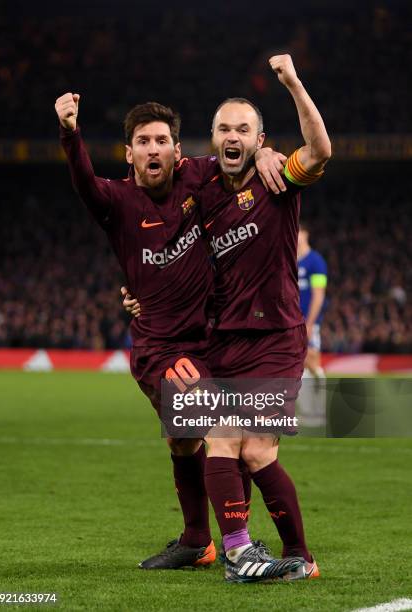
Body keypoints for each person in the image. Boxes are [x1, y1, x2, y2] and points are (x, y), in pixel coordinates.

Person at [55, 94, 300, 583]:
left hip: (210, 340)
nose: (153, 149)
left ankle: (198, 541)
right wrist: (70, 133)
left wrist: (270, 154)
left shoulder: (198, 176)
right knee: (224, 431)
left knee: (186, 441)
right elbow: (83, 182)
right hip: (160, 350)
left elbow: (240, 148)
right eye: (142, 142)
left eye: (161, 141)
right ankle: (239, 550)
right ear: (129, 153)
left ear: (177, 151)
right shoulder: (117, 200)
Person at [124, 54, 331, 583]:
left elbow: (321, 150)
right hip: (219, 339)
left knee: (251, 446)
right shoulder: (200, 182)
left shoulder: (278, 177)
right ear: (212, 137)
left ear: (260, 140)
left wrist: (291, 83)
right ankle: (260, 554)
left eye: (243, 129)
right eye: (224, 128)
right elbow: (157, 217)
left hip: (275, 337)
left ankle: (265, 553)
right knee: (212, 437)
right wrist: (140, 290)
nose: (232, 135)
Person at [297, 221, 328, 425]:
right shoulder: (290, 260)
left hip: (308, 323)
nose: (296, 235)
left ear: (306, 234)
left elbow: (319, 295)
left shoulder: (316, 261)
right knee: (298, 367)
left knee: (313, 362)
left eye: (299, 232)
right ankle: (307, 413)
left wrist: (310, 323)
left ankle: (322, 409)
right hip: (292, 324)